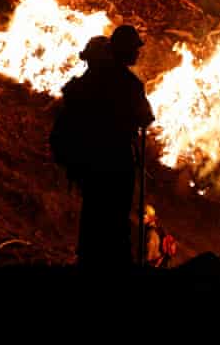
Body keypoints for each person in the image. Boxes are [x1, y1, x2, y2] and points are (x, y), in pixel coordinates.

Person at [58, 26, 154, 269]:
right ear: (125, 50)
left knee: (93, 210)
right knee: (116, 215)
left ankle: (89, 260)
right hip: (117, 159)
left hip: (91, 158)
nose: (137, 53)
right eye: (135, 48)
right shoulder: (130, 84)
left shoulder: (93, 78)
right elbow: (145, 117)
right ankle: (115, 265)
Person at [143, 204, 177, 268]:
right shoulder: (159, 230)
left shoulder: (150, 233)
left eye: (143, 217)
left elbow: (147, 256)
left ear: (150, 218)